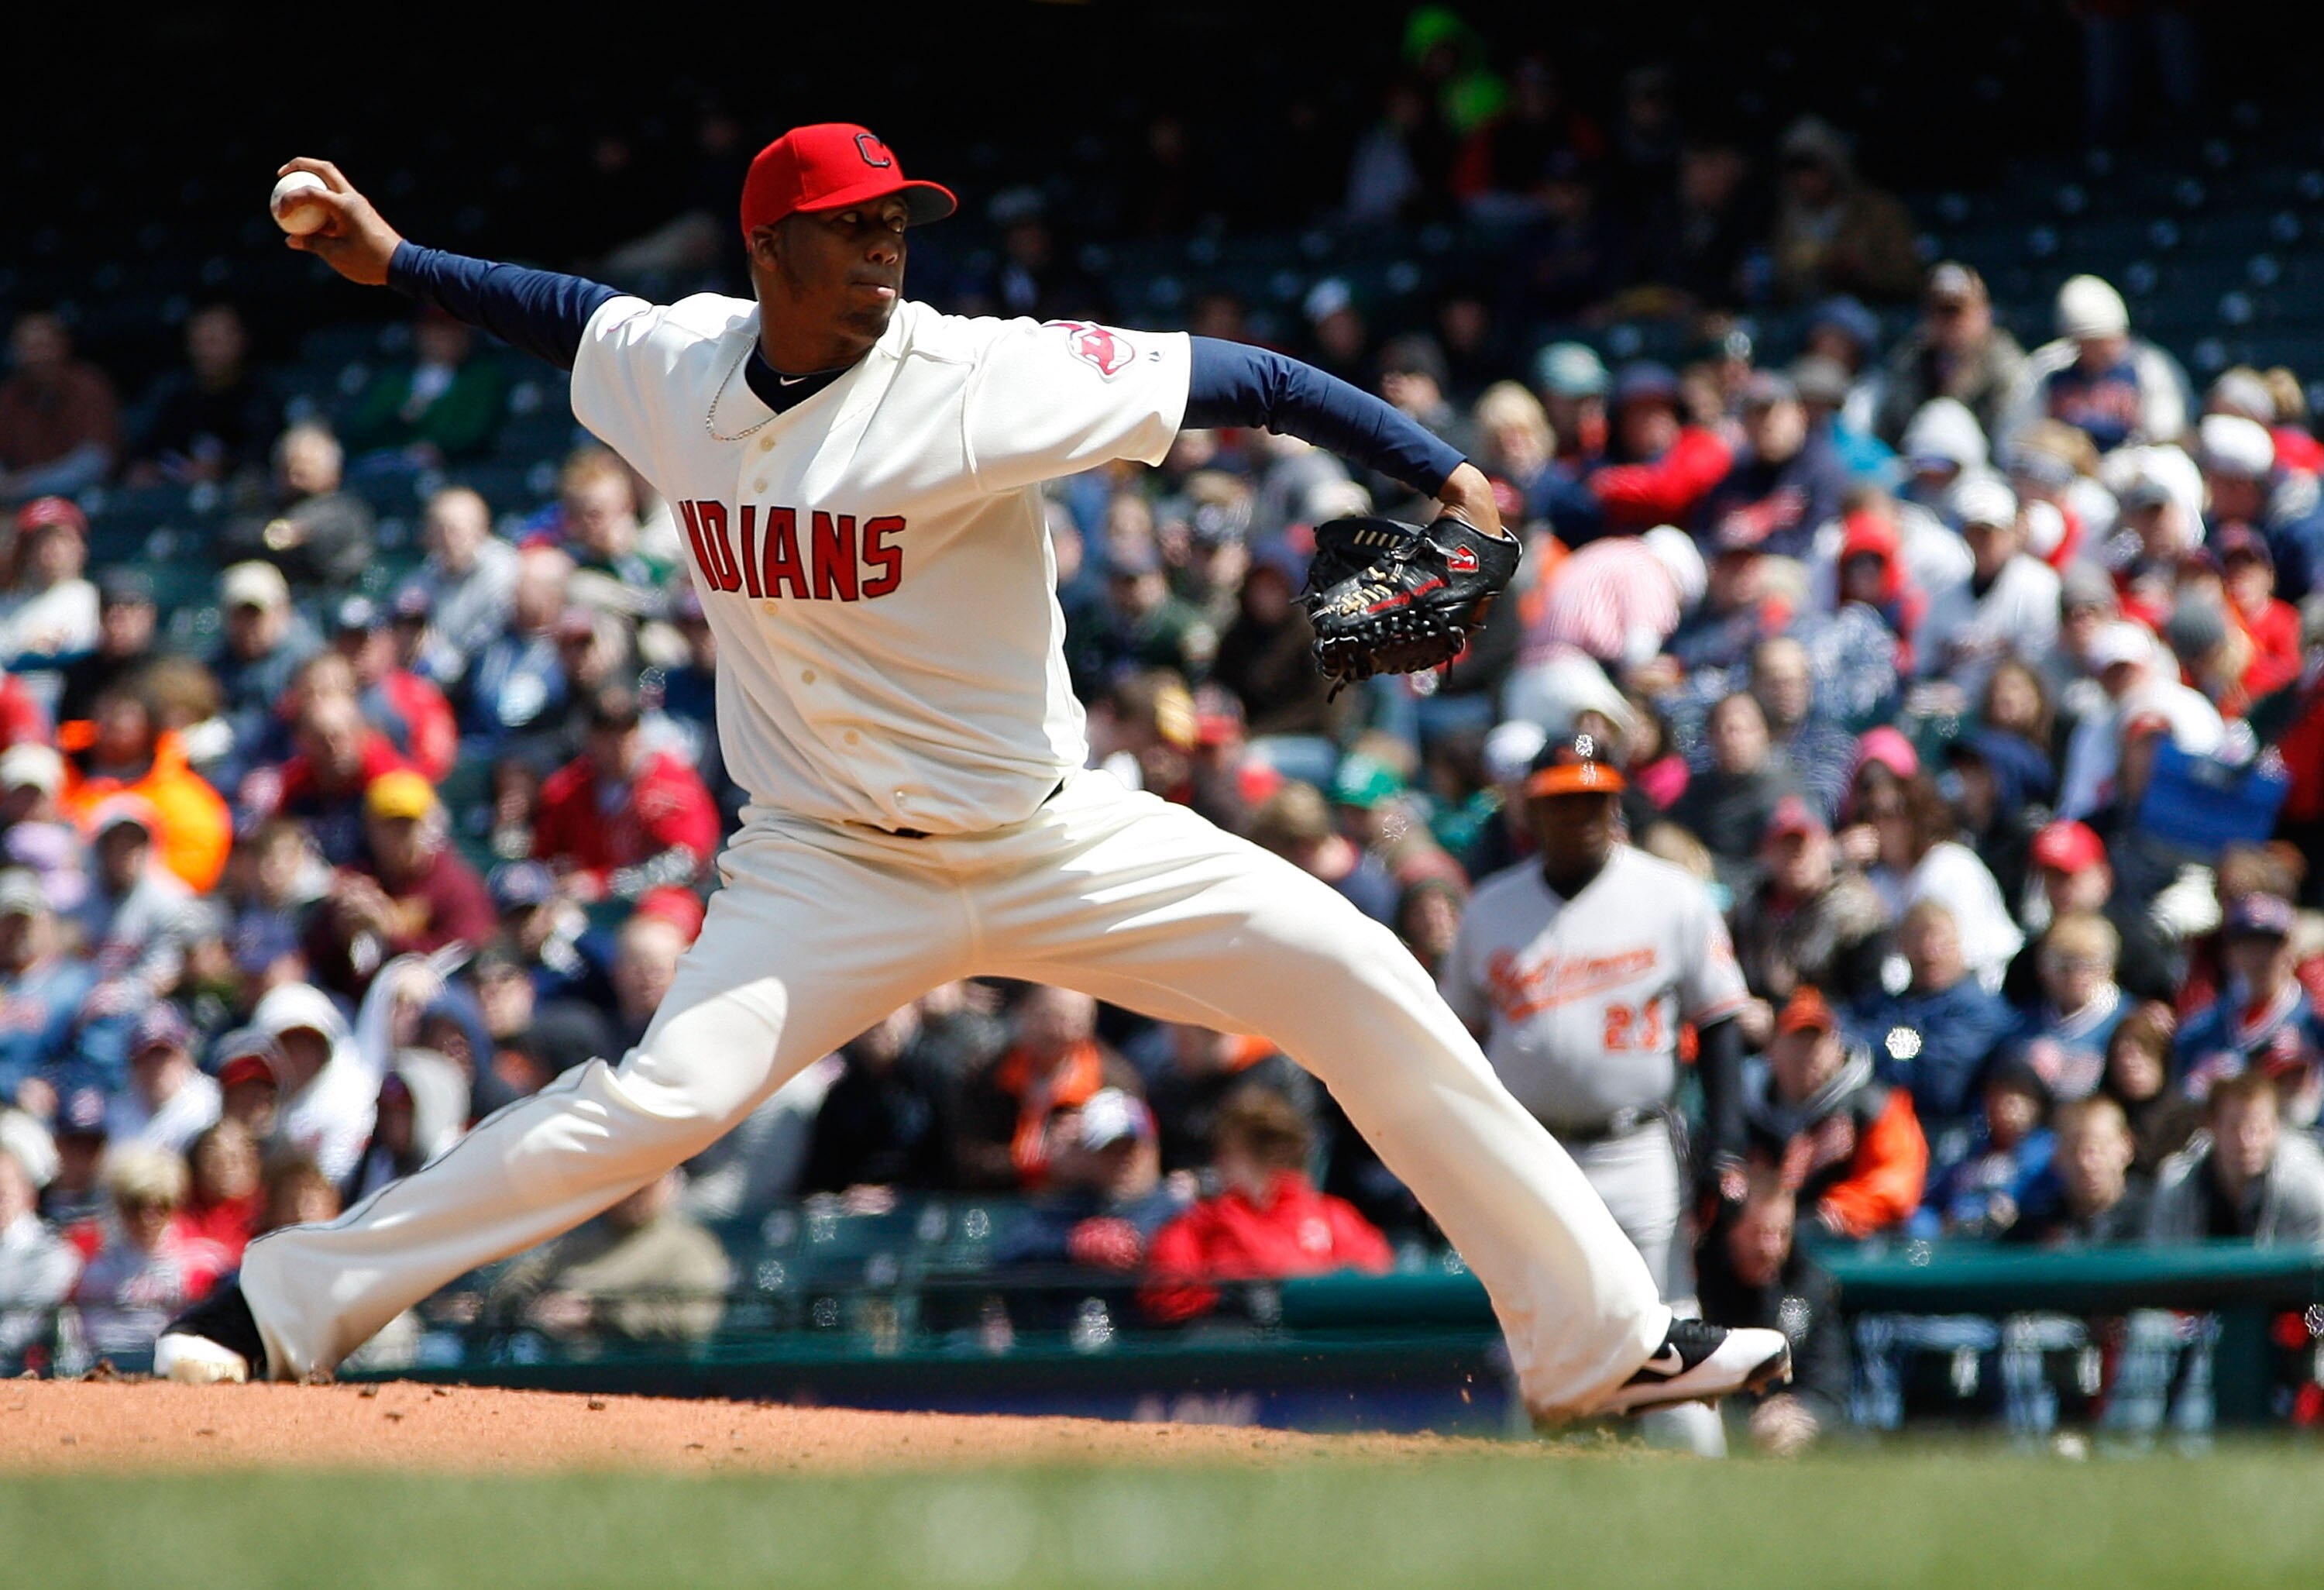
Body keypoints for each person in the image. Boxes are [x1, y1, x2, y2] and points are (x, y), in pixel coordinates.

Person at [160, 126, 1787, 1423]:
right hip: (821, 867)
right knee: (656, 1102)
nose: (885, 253)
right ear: (768, 252)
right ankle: (279, 1306)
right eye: (855, 229)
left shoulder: (978, 374)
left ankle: (1596, 1348)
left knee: (1358, 975)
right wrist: (389, 262)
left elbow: (1259, 382)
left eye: (898, 228)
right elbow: (552, 310)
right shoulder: (676, 366)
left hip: (1051, 837)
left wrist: (1441, 468)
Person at [1439, 734, 1753, 1452]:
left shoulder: (1671, 896)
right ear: (1531, 810)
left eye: (1594, 800)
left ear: (1616, 804)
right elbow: (1453, 1039)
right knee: (1539, 1329)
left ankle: (1697, 1489)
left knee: (1665, 1322)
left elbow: (1724, 1022)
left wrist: (1727, 1142)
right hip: (1531, 1152)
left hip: (1635, 1143)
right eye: (1564, 802)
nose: (1581, 815)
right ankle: (1543, 1497)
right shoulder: (1490, 908)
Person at [1140, 1081, 1393, 1324]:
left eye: (1233, 1153)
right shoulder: (1202, 1223)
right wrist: (1223, 1301)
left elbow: (1375, 1281)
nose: (1221, 1163)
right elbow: (1165, 1296)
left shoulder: (1333, 1217)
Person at [1745, 986, 1928, 1241]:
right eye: (1797, 1040)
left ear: (1838, 1047)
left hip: (1857, 1249)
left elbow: (1895, 1187)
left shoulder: (1877, 1108)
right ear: (1771, 1049)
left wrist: (1833, 1213)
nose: (1809, 1054)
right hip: (1763, 1249)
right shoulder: (1745, 1114)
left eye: (1818, 1041)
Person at [1693, 1171, 1850, 1456]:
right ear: (1731, 1230)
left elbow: (1831, 1389)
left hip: (1792, 1436)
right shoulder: (1697, 1286)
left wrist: (1801, 1415)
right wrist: (1748, 1422)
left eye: (1782, 1234)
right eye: (1759, 1233)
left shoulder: (1809, 1284)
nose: (1771, 1248)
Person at [485, 1168, 730, 1344]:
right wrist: (531, 1308)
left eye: (647, 1185)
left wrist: (598, 1315)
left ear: (670, 1185)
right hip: (550, 1355)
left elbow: (693, 1319)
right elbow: (521, 1280)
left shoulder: (689, 1248)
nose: (634, 1194)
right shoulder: (578, 1242)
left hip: (638, 1368)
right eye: (625, 1185)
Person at [125, 302, 284, 488]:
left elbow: (265, 454)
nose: (204, 351)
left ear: (240, 340)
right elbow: (149, 450)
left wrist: (224, 466)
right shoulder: (176, 395)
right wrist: (145, 467)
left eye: (213, 341)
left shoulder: (262, 397)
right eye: (198, 342)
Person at [1872, 262, 2029, 449]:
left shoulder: (2006, 364)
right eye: (1941, 312)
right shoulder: (1910, 359)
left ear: (1984, 312)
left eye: (1958, 312)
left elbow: (2010, 436)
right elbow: (1890, 428)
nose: (1951, 323)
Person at [220, 422, 376, 594]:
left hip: (330, 596)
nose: (294, 474)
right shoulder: (263, 506)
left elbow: (324, 542)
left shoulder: (346, 510)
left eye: (305, 467)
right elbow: (233, 538)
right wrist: (273, 535)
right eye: (287, 467)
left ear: (333, 472)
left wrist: (297, 533)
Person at [0, 311, 120, 505]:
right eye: (28, 348)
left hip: (84, 500)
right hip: (22, 503)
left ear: (63, 345)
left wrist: (28, 484)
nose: (37, 357)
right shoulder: (9, 395)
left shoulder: (89, 387)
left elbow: (96, 461)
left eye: (43, 346)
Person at [0, 1136, 79, 1370]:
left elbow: (17, 1333)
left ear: (29, 1194)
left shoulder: (52, 1255)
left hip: (29, 1378)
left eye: (4, 1193)